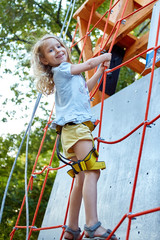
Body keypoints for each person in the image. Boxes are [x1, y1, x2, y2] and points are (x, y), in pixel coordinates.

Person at [31, 34, 117, 240]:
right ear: (45, 60)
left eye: (59, 46)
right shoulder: (61, 70)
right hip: (77, 130)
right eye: (51, 50)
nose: (58, 50)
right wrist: (103, 59)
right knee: (92, 172)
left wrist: (99, 71)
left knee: (80, 178)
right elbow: (87, 63)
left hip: (70, 133)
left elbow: (84, 89)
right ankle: (92, 224)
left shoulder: (69, 76)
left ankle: (71, 228)